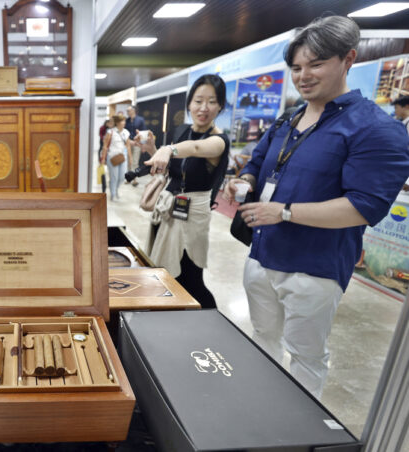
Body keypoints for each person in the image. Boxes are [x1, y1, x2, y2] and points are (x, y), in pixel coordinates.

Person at [224, 15, 409, 399]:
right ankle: (260, 411)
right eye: (296, 67)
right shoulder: (288, 119)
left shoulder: (375, 128)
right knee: (262, 338)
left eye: (316, 63)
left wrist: (285, 211)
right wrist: (245, 182)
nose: (303, 75)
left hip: (315, 267)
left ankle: (296, 432)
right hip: (262, 254)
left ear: (348, 59)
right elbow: (259, 163)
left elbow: (365, 206)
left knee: (306, 355)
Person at [144, 74, 230, 309]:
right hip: (169, 208)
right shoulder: (181, 130)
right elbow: (169, 168)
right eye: (198, 101)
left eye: (211, 102)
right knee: (165, 273)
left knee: (191, 276)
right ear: (190, 102)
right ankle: (172, 315)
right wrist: (152, 148)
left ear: (220, 106)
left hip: (193, 214)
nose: (204, 108)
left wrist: (168, 148)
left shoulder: (218, 141)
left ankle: (210, 320)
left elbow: (194, 148)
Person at [101, 114, 133, 201]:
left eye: (124, 120)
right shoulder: (110, 132)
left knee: (122, 177)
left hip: (122, 158)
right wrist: (103, 158)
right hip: (112, 158)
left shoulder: (126, 132)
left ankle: (116, 189)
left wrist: (130, 158)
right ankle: (113, 194)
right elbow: (105, 146)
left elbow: (128, 146)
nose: (124, 122)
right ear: (118, 123)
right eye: (122, 121)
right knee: (114, 177)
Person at [125, 106, 146, 186]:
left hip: (137, 144)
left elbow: (143, 132)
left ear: (134, 110)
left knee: (135, 161)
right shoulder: (126, 121)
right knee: (129, 162)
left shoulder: (140, 120)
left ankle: (134, 179)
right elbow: (125, 132)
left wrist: (143, 145)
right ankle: (128, 178)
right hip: (129, 143)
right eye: (127, 111)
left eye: (129, 110)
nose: (128, 112)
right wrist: (129, 141)